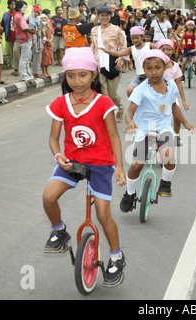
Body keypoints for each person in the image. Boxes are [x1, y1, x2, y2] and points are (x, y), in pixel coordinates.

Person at [43, 47, 127, 286]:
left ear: (93, 75)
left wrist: (119, 166)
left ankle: (116, 256)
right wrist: (58, 154)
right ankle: (59, 230)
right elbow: (53, 138)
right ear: (65, 76)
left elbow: (113, 137)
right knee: (49, 197)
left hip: (101, 165)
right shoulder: (61, 103)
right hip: (71, 162)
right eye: (71, 75)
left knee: (102, 214)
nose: (76, 81)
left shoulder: (103, 103)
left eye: (82, 75)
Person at [119, 49, 196, 212]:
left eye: (157, 67)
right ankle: (129, 193)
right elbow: (129, 111)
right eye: (148, 68)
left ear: (165, 67)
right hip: (144, 128)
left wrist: (186, 123)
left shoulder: (171, 85)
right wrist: (129, 122)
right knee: (137, 165)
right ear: (143, 69)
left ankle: (165, 183)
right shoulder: (141, 89)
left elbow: (174, 107)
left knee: (169, 157)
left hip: (163, 126)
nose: (153, 72)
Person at [90, 5, 127, 122]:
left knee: (112, 93)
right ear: (98, 16)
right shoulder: (94, 30)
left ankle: (119, 107)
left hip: (113, 63)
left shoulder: (117, 30)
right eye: (102, 15)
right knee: (102, 91)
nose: (104, 17)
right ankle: (106, 114)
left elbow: (123, 46)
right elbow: (93, 46)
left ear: (111, 16)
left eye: (107, 15)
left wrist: (121, 59)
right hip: (99, 64)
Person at [101, 25, 156, 97]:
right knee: (130, 90)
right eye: (133, 38)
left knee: (151, 93)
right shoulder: (131, 49)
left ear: (142, 37)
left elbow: (160, 54)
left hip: (151, 75)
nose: (135, 40)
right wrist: (108, 51)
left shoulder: (149, 45)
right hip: (140, 76)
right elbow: (118, 53)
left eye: (137, 37)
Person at [157, 39, 190, 146]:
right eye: (163, 49)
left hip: (172, 97)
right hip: (158, 97)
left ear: (172, 51)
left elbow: (179, 83)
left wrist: (184, 100)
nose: (166, 52)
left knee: (177, 116)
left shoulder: (175, 66)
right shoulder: (156, 66)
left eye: (169, 49)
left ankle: (176, 135)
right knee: (160, 118)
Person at [0, 0, 19, 76]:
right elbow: (3, 25)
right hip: (10, 36)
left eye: (14, 4)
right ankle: (15, 69)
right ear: (9, 5)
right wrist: (0, 32)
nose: (13, 5)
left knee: (16, 51)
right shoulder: (5, 15)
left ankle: (17, 69)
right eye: (11, 4)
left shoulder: (19, 14)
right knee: (12, 53)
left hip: (18, 37)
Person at [40, 13, 53, 77]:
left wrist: (50, 40)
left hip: (49, 44)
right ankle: (43, 72)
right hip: (43, 43)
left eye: (45, 18)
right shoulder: (40, 25)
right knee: (44, 57)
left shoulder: (49, 23)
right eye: (43, 18)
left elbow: (52, 32)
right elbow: (41, 34)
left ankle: (47, 71)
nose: (44, 19)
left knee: (49, 58)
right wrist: (46, 39)